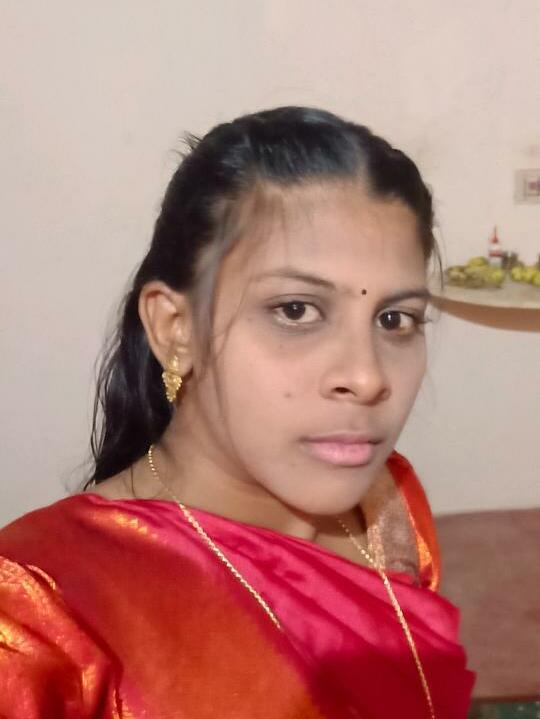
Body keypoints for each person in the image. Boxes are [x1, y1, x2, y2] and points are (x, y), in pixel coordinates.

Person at [0, 106, 474, 718]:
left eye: (395, 319)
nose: (367, 377)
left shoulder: (389, 511)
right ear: (175, 329)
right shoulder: (36, 614)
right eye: (296, 310)